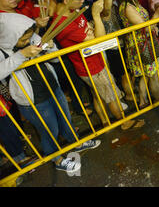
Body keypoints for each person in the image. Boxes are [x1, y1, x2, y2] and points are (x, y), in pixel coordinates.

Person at [0, 13, 100, 173]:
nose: (27, 41)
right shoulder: (2, 51)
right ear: (11, 35)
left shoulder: (32, 38)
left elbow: (55, 59)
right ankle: (57, 158)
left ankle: (75, 142)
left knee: (65, 118)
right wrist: (21, 55)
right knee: (49, 129)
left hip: (52, 86)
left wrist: (51, 47)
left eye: (28, 37)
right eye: (23, 39)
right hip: (32, 99)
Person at [51, 0, 144, 130]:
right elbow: (98, 39)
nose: (83, 0)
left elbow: (91, 31)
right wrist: (95, 16)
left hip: (93, 61)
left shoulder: (73, 12)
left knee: (98, 96)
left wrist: (92, 29)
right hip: (90, 66)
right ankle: (124, 122)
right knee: (111, 96)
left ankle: (105, 121)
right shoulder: (63, 24)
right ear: (66, 0)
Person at [118, 0, 159, 108]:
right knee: (153, 74)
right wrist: (157, 15)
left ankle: (143, 101)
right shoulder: (127, 7)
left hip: (145, 42)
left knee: (146, 74)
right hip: (140, 45)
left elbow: (147, 24)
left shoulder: (134, 2)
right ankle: (158, 100)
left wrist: (154, 26)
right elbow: (144, 27)